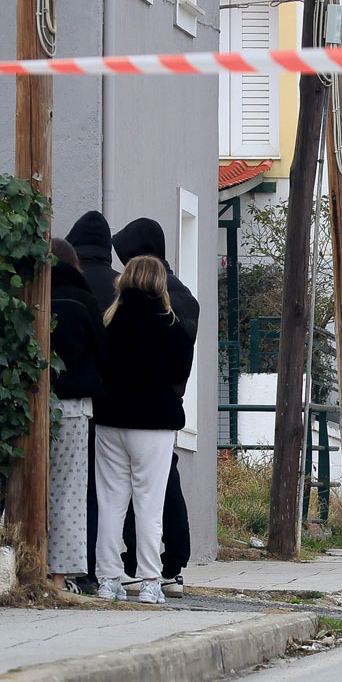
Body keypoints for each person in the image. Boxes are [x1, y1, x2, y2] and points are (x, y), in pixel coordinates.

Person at [92, 257, 195, 603]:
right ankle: (151, 581)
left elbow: (100, 367)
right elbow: (181, 371)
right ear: (159, 283)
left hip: (111, 420)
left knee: (111, 503)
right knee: (149, 504)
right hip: (154, 423)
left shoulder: (110, 321)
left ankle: (108, 580)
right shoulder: (172, 326)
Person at [112, 218, 197, 596]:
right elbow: (181, 358)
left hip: (122, 410)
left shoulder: (126, 306)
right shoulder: (183, 298)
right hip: (163, 405)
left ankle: (123, 574)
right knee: (158, 490)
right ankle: (167, 568)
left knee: (126, 497)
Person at [46, 238, 106, 591]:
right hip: (73, 407)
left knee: (28, 485)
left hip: (32, 402)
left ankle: (28, 564)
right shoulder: (84, 300)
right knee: (69, 491)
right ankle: (59, 576)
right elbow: (102, 351)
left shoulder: (32, 293)